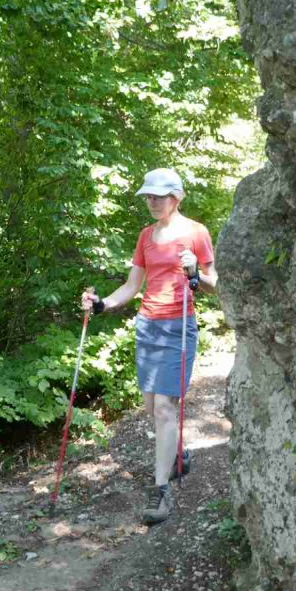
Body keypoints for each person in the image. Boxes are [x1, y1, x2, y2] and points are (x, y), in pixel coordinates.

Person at [82, 167, 217, 525]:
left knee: (164, 409)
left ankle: (161, 490)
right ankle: (177, 455)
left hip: (178, 327)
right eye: (148, 196)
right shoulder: (145, 236)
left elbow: (214, 284)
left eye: (159, 196)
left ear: (176, 197)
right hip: (148, 327)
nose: (153, 202)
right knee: (150, 407)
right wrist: (102, 304)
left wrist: (195, 273)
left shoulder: (196, 232)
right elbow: (132, 286)